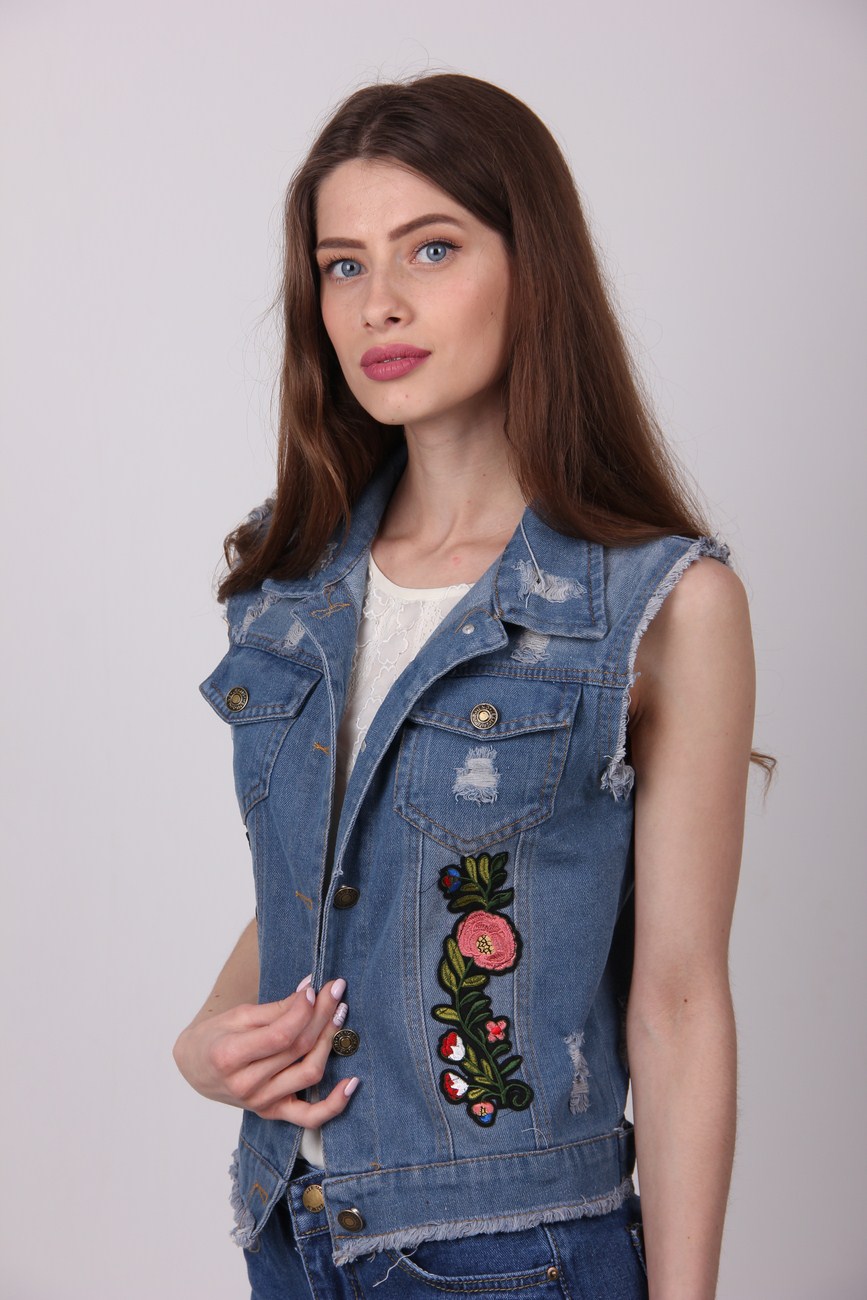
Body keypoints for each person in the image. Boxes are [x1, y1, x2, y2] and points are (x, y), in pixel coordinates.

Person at [174, 72, 766, 1299]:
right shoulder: (291, 579)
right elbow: (337, 878)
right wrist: (205, 1039)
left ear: (531, 267)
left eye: (431, 248)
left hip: (518, 1251)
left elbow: (678, 1001)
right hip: (293, 1233)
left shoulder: (661, 603)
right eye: (343, 265)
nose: (379, 302)